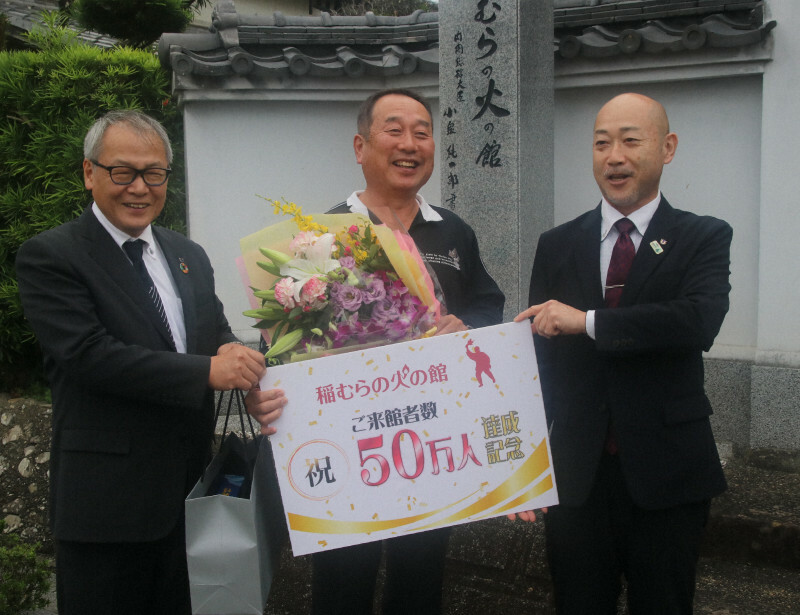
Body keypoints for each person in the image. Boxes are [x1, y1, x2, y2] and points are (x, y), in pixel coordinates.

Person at [15, 110, 287, 615]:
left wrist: (234, 354)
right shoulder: (51, 256)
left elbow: (212, 332)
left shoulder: (187, 253)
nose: (140, 187)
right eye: (123, 172)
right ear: (89, 173)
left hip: (191, 497)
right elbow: (88, 355)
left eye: (154, 173)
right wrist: (207, 371)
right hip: (105, 508)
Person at [247, 88, 504, 614]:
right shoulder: (320, 236)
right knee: (342, 579)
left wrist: (467, 328)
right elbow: (279, 335)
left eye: (422, 131)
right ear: (361, 146)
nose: (410, 143)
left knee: (422, 574)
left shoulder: (453, 231)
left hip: (428, 442)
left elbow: (487, 305)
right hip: (348, 444)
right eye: (394, 129)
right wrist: (266, 389)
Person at [512, 93, 732, 614]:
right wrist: (521, 468)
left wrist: (586, 322)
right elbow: (540, 362)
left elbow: (698, 320)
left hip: (667, 471)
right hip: (577, 474)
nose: (614, 156)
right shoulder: (558, 243)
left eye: (631, 140)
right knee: (578, 602)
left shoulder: (702, 235)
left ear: (667, 147)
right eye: (601, 143)